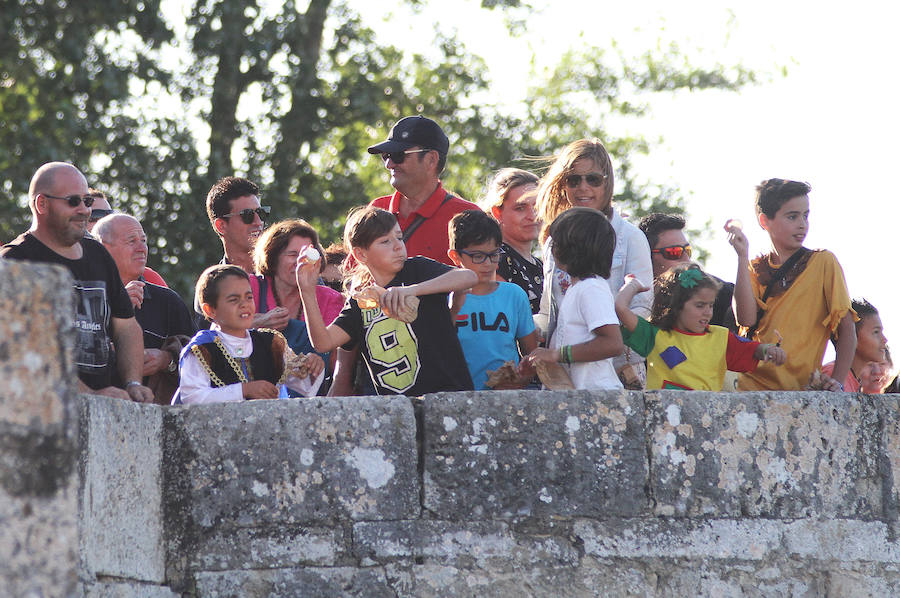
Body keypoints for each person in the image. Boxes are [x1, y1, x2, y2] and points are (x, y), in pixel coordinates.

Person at [0, 162, 153, 402]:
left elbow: (126, 327)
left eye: (87, 201)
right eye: (73, 201)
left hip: (101, 411)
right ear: (42, 204)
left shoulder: (98, 254)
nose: (84, 210)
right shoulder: (15, 260)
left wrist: (132, 383)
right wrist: (89, 395)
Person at [298, 206, 478, 396]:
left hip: (449, 397)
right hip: (396, 410)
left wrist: (412, 291)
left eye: (399, 237)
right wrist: (307, 291)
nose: (398, 246)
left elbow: (468, 277)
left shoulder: (417, 269)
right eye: (385, 241)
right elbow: (323, 343)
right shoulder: (361, 302)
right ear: (361, 254)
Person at [534, 138, 652, 388]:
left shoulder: (631, 237)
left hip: (617, 369)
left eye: (593, 179)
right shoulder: (554, 240)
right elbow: (549, 313)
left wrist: (602, 338)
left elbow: (642, 310)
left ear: (607, 182)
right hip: (563, 374)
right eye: (573, 180)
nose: (582, 187)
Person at [728, 178, 856, 391]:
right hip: (750, 386)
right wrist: (742, 258)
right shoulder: (755, 268)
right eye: (792, 216)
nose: (802, 224)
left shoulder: (823, 262)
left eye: (805, 215)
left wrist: (838, 381)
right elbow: (745, 319)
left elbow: (846, 327)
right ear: (764, 221)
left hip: (799, 389)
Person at [616, 263, 786, 391]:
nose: (707, 312)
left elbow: (751, 349)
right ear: (677, 306)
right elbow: (621, 308)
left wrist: (767, 350)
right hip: (664, 424)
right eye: (699, 305)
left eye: (710, 305)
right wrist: (633, 285)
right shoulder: (655, 336)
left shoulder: (721, 337)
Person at [174, 265, 324, 405]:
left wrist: (312, 366)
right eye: (234, 300)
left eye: (249, 297)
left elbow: (303, 385)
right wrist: (244, 390)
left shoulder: (271, 343)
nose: (244, 304)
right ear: (210, 310)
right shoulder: (201, 349)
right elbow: (192, 398)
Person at [94, 214, 196, 404]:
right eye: (131, 241)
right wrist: (116, 307)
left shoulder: (168, 302)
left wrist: (167, 359)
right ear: (103, 249)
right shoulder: (86, 298)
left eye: (143, 241)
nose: (142, 249)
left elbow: (201, 358)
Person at [524, 208, 624, 390]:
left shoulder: (591, 288)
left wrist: (556, 355)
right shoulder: (576, 289)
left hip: (596, 395)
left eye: (556, 242)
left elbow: (613, 343)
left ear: (570, 248)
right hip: (579, 395)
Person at [366, 115, 479, 265]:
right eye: (385, 156)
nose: (389, 164)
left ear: (431, 159)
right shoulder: (377, 209)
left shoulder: (469, 217)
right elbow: (353, 274)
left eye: (398, 155)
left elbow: (482, 283)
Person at [250, 219, 345, 393]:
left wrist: (317, 363)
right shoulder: (249, 287)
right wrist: (257, 322)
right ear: (273, 256)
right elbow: (217, 332)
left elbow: (341, 365)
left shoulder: (332, 300)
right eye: (293, 255)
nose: (301, 262)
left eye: (307, 255)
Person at [447, 210, 538, 390]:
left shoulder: (514, 295)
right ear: (455, 256)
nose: (488, 264)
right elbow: (438, 353)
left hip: (507, 397)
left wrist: (520, 379)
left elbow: (532, 356)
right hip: (458, 396)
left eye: (494, 254)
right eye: (478, 256)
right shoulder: (445, 297)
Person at [638, 212, 737, 332]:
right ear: (647, 257)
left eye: (687, 251)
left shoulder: (722, 294)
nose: (686, 260)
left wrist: (742, 257)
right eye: (674, 252)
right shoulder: (632, 299)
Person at [481, 168, 543, 314]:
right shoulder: (495, 261)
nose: (532, 215)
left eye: (537, 206)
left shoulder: (541, 264)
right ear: (497, 213)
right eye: (520, 208)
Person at [85, 188, 167, 287]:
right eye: (95, 216)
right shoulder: (71, 276)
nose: (105, 222)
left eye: (110, 216)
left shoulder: (148, 277)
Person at [822, 298, 888, 393]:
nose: (884, 340)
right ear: (851, 337)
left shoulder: (853, 380)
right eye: (876, 332)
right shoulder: (833, 376)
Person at [206, 176, 270, 273]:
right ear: (221, 226)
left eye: (261, 213)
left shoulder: (284, 279)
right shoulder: (213, 286)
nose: (258, 222)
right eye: (247, 215)